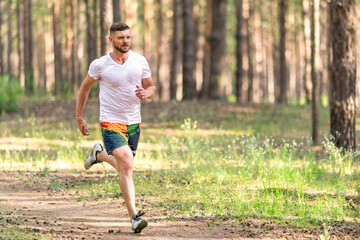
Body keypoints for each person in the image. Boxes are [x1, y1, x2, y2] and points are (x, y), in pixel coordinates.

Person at [75, 22, 156, 234]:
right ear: (111, 40)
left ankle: (99, 154)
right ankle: (135, 218)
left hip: (133, 123)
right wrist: (79, 117)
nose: (125, 41)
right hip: (110, 121)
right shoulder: (100, 65)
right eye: (121, 38)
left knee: (124, 168)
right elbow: (85, 88)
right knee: (127, 163)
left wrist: (148, 94)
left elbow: (151, 86)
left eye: (128, 37)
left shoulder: (140, 61)